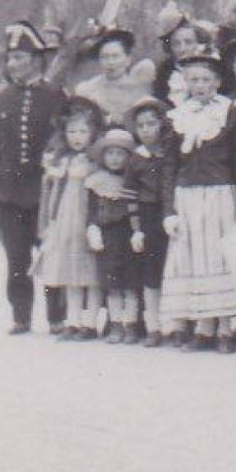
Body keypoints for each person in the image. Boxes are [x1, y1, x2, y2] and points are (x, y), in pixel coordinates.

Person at [0, 22, 69, 335]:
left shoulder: (55, 95)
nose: (13, 64)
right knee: (16, 257)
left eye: (20, 57)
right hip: (8, 192)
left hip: (46, 191)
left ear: (35, 59)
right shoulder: (0, 99)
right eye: (10, 58)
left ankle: (57, 315)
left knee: (51, 254)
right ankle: (21, 315)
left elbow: (66, 138)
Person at [161, 49, 236, 352]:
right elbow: (170, 165)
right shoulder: (176, 117)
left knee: (219, 256)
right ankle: (202, 326)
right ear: (185, 83)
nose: (200, 86)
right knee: (193, 257)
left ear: (218, 82)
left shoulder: (229, 113)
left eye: (206, 79)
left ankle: (225, 327)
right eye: (193, 80)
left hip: (221, 194)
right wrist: (168, 210)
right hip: (187, 196)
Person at [36, 99, 104, 342]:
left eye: (83, 131)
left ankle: (91, 322)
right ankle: (73, 320)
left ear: (93, 132)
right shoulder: (60, 160)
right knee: (69, 269)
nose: (77, 137)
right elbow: (50, 194)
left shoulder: (96, 160)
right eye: (72, 131)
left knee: (91, 270)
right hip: (65, 219)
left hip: (86, 218)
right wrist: (47, 223)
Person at [85, 127, 143, 344]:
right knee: (112, 284)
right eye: (110, 154)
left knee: (130, 284)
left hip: (127, 235)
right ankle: (115, 324)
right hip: (107, 236)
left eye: (121, 154)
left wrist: (138, 232)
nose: (115, 159)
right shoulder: (96, 181)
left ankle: (131, 325)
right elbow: (91, 210)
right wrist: (92, 228)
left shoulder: (132, 182)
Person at [126, 97, 173, 346]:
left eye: (151, 124)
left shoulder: (170, 154)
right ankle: (153, 326)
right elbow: (130, 194)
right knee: (150, 272)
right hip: (147, 217)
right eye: (141, 125)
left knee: (172, 268)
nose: (146, 130)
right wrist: (136, 230)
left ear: (161, 125)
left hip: (169, 215)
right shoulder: (135, 159)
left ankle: (174, 325)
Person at [74, 26, 157, 123]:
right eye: (105, 57)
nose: (110, 62)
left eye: (115, 56)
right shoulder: (87, 89)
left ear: (128, 59)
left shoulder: (139, 90)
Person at [153, 3, 213, 105]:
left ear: (197, 43)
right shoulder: (164, 73)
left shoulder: (212, 66)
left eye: (188, 42)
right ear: (170, 47)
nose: (183, 49)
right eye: (176, 44)